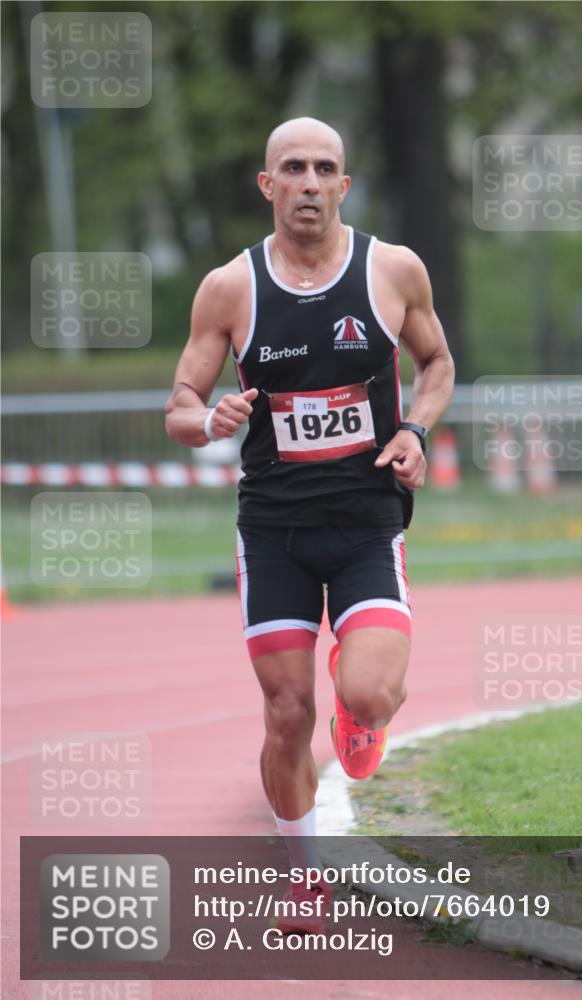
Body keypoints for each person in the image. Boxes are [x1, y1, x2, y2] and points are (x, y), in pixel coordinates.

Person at [165, 117, 454, 927]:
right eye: (291, 168)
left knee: (367, 693)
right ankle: (304, 873)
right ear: (268, 186)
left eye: (324, 168)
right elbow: (179, 408)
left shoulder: (391, 270)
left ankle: (359, 715)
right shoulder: (230, 287)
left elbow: (437, 362)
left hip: (367, 522)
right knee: (285, 713)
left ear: (342, 186)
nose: (308, 182)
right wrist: (208, 417)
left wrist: (415, 430)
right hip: (274, 531)